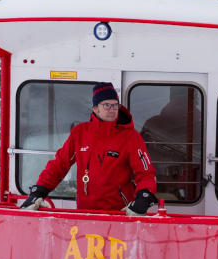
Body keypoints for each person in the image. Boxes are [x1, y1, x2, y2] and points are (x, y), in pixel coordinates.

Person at [20, 83, 159, 214]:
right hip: (85, 213)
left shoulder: (130, 137)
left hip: (119, 214)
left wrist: (143, 197)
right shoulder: (80, 133)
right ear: (95, 108)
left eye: (115, 105)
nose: (112, 109)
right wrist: (39, 191)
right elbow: (59, 165)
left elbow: (145, 173)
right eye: (107, 105)